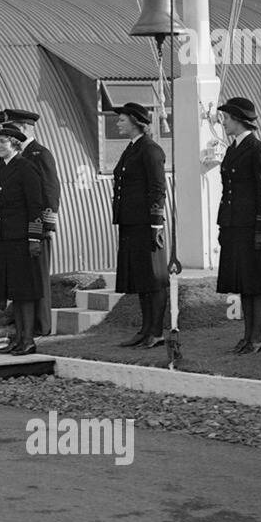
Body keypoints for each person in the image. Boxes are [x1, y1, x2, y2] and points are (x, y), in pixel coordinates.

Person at [216, 97, 261, 354]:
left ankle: (257, 338)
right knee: (244, 283)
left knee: (257, 284)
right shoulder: (233, 149)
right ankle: (247, 337)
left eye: (227, 119)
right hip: (234, 226)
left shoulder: (257, 149)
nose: (224, 123)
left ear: (239, 120)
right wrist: (224, 226)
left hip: (253, 228)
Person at [109, 103, 169, 347]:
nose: (118, 123)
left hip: (146, 224)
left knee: (154, 278)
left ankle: (156, 331)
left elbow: (158, 188)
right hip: (131, 223)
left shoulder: (150, 150)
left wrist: (156, 223)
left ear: (135, 121)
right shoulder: (132, 148)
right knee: (142, 278)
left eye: (122, 120)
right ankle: (146, 330)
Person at [0, 124, 45, 356]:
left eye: (3, 141)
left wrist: (34, 237)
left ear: (14, 142)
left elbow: (36, 206)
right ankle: (18, 338)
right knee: (14, 290)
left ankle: (28, 339)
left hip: (22, 238)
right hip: (5, 238)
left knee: (25, 291)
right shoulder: (1, 168)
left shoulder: (25, 167)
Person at [5, 109, 60, 337]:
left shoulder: (39, 154)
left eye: (14, 129)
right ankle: (24, 326)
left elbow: (50, 191)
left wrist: (45, 227)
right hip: (21, 228)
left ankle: (42, 325)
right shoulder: (18, 155)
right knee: (24, 280)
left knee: (38, 279)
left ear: (25, 128)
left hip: (37, 228)